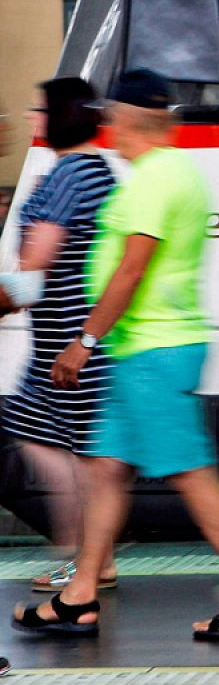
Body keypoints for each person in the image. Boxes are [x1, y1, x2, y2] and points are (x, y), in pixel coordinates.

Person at [10, 69, 219, 638]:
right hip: (142, 351)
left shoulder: (155, 179)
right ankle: (80, 595)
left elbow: (131, 270)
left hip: (153, 348)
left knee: (192, 474)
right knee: (104, 471)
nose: (106, 129)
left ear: (129, 121)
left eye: (111, 119)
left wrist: (83, 341)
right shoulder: (170, 173)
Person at [0, 78, 119, 594]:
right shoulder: (99, 171)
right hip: (67, 339)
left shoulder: (67, 176)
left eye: (38, 110)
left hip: (69, 343)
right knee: (51, 439)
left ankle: (84, 558)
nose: (32, 119)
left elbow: (33, 271)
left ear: (59, 117)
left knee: (71, 451)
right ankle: (89, 555)